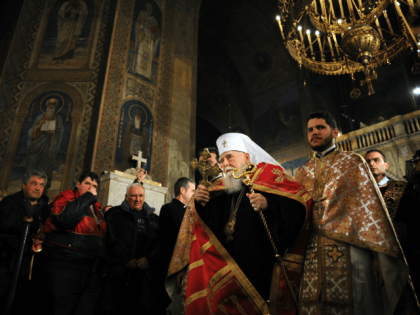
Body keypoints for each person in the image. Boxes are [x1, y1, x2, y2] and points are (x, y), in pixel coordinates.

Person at [166, 133, 312, 315]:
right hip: (229, 273)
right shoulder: (221, 189)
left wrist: (269, 205)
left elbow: (297, 207)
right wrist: (201, 204)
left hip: (261, 269)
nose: (224, 164)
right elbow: (211, 229)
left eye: (229, 157)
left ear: (247, 157)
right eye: (221, 160)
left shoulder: (268, 178)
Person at [295, 112, 417, 314]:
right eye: (310, 130)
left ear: (334, 132)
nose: (314, 133)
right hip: (312, 253)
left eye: (320, 128)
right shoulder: (302, 172)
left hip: (352, 248)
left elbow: (371, 211)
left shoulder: (353, 162)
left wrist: (379, 257)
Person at [43, 171, 106, 315]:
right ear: (78, 185)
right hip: (67, 267)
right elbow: (64, 220)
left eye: (94, 185)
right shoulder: (66, 197)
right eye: (87, 183)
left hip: (91, 270)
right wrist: (88, 196)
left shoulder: (97, 207)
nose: (91, 187)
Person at [365, 149, 420, 297]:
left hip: (405, 254)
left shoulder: (404, 188)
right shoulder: (361, 197)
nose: (371, 164)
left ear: (386, 165)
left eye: (376, 160)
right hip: (372, 258)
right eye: (367, 162)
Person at [105, 183, 160, 315]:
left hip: (145, 274)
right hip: (119, 273)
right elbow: (111, 239)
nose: (137, 199)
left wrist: (149, 259)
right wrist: (126, 258)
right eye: (133, 196)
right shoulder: (114, 214)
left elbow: (159, 243)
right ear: (126, 197)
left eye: (140, 196)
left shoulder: (154, 218)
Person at [0, 170, 50, 313]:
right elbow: (5, 222)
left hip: (33, 265)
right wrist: (34, 222)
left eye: (41, 185)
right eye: (34, 183)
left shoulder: (46, 208)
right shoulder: (10, 202)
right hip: (8, 262)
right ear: (23, 185)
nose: (37, 188)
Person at [157, 178, 196, 313]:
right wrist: (180, 268)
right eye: (192, 191)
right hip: (172, 267)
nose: (194, 194)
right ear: (182, 191)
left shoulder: (190, 211)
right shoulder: (169, 209)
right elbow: (171, 241)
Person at [26, 98, 64, 190]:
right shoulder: (39, 118)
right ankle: (28, 186)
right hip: (36, 147)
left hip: (48, 147)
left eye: (53, 104)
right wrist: (38, 127)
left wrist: (53, 133)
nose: (51, 106)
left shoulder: (58, 119)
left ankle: (42, 188)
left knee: (45, 168)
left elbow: (60, 132)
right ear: (46, 105)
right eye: (49, 104)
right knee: (32, 166)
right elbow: (31, 132)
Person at [51, 0, 88, 64]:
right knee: (61, 41)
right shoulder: (66, 3)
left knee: (71, 41)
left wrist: (78, 13)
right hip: (65, 24)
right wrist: (67, 11)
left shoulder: (82, 4)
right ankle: (56, 58)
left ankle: (64, 59)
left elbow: (84, 13)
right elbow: (60, 13)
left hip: (74, 25)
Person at [133, 3, 160, 79]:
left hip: (149, 40)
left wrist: (153, 31)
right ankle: (137, 70)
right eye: (148, 7)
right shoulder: (142, 14)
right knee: (140, 53)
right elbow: (138, 24)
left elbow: (156, 33)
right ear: (146, 7)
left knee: (148, 57)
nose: (149, 9)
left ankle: (147, 74)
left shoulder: (153, 20)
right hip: (143, 37)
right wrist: (142, 25)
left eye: (151, 8)